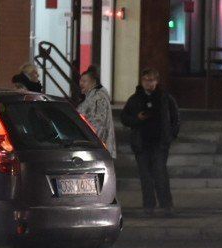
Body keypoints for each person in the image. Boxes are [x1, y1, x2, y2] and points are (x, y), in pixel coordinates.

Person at [119, 68, 180, 217]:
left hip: (159, 142)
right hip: (141, 143)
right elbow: (124, 118)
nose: (149, 83)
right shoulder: (135, 99)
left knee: (160, 173)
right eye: (146, 80)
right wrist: (137, 119)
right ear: (142, 81)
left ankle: (166, 204)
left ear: (157, 81)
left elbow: (175, 118)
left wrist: (170, 135)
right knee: (145, 176)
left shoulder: (165, 98)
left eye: (152, 80)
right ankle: (149, 205)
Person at [76, 67, 115, 155]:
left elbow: (99, 124)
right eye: (81, 80)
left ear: (93, 82)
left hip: (96, 148)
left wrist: (91, 143)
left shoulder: (98, 98)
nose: (81, 83)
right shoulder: (91, 97)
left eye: (84, 81)